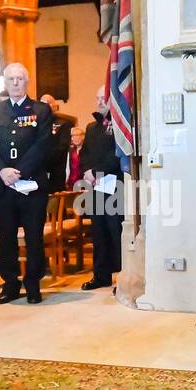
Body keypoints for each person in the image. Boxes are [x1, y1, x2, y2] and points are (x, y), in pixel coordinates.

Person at [0, 64, 52, 304]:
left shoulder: (41, 110)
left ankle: (33, 284)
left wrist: (19, 172)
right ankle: (10, 285)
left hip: (30, 185)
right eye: (11, 79)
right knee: (6, 237)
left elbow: (42, 145)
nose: (16, 83)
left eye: (20, 79)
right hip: (2, 186)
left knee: (33, 237)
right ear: (5, 82)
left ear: (27, 82)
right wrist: (2, 171)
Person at [78, 94, 124, 291]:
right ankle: (100, 275)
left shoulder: (119, 126)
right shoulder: (91, 128)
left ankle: (123, 277)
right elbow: (84, 153)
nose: (99, 101)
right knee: (98, 232)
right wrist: (87, 171)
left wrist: (96, 172)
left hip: (114, 185)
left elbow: (116, 154)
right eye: (97, 98)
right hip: (95, 186)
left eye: (103, 98)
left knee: (116, 232)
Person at [41, 93, 75, 190]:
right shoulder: (36, 124)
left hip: (56, 170)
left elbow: (62, 147)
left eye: (47, 104)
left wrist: (46, 160)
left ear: (54, 106)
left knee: (55, 201)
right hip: (39, 171)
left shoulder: (63, 123)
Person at [66, 125, 86, 191]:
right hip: (71, 185)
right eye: (72, 136)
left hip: (84, 185)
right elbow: (68, 168)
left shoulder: (88, 151)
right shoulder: (70, 151)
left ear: (82, 136)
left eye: (75, 135)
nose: (72, 138)